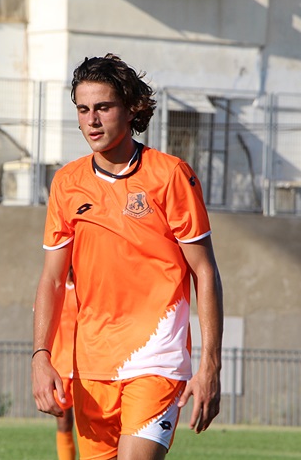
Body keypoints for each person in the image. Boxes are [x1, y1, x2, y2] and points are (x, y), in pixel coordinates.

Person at [32, 53, 224, 460]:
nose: (92, 120)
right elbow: (52, 279)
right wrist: (41, 356)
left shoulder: (170, 175)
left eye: (103, 107)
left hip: (156, 358)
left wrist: (210, 364)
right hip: (91, 364)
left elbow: (204, 272)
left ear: (132, 108)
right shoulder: (67, 182)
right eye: (83, 109)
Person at [51, 267, 78, 460]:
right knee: (63, 422)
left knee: (90, 425)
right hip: (60, 367)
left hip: (84, 368)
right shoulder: (54, 290)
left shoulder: (85, 290)